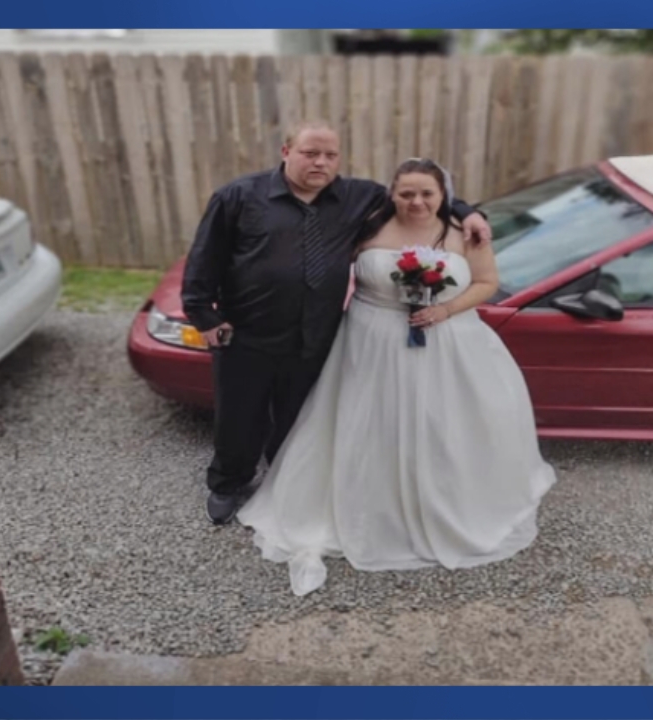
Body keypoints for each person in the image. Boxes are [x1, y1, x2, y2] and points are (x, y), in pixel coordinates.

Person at [237, 158, 556, 596]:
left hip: (448, 342)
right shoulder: (367, 226)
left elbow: (485, 283)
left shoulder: (466, 232)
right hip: (369, 343)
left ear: (444, 195)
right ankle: (368, 507)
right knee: (370, 423)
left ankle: (441, 503)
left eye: (427, 193)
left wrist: (445, 309)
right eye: (406, 193)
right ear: (392, 194)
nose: (416, 201)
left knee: (440, 425)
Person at [181, 122, 492, 525]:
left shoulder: (358, 197)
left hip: (316, 335)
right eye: (310, 153)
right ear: (286, 152)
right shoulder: (238, 196)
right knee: (240, 415)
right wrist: (204, 316)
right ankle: (228, 483)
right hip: (248, 330)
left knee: (298, 418)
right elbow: (204, 258)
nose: (321, 163)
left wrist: (467, 211)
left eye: (330, 155)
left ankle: (284, 481)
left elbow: (418, 192)